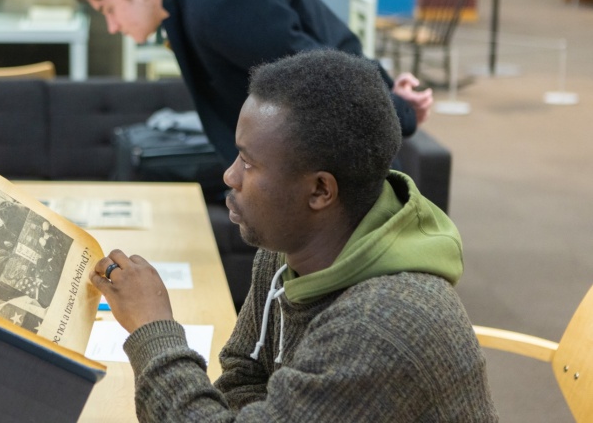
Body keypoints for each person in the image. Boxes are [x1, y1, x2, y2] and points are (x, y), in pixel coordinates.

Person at [90, 50, 496, 421]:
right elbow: (244, 374)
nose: (230, 176)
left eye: (248, 163)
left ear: (320, 191)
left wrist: (152, 326)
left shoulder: (376, 329)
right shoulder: (290, 248)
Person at [71, 0, 433, 165]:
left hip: (344, 177)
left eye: (108, 9)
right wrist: (389, 90)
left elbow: (324, 79)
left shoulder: (218, 3)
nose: (112, 27)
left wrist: (398, 109)